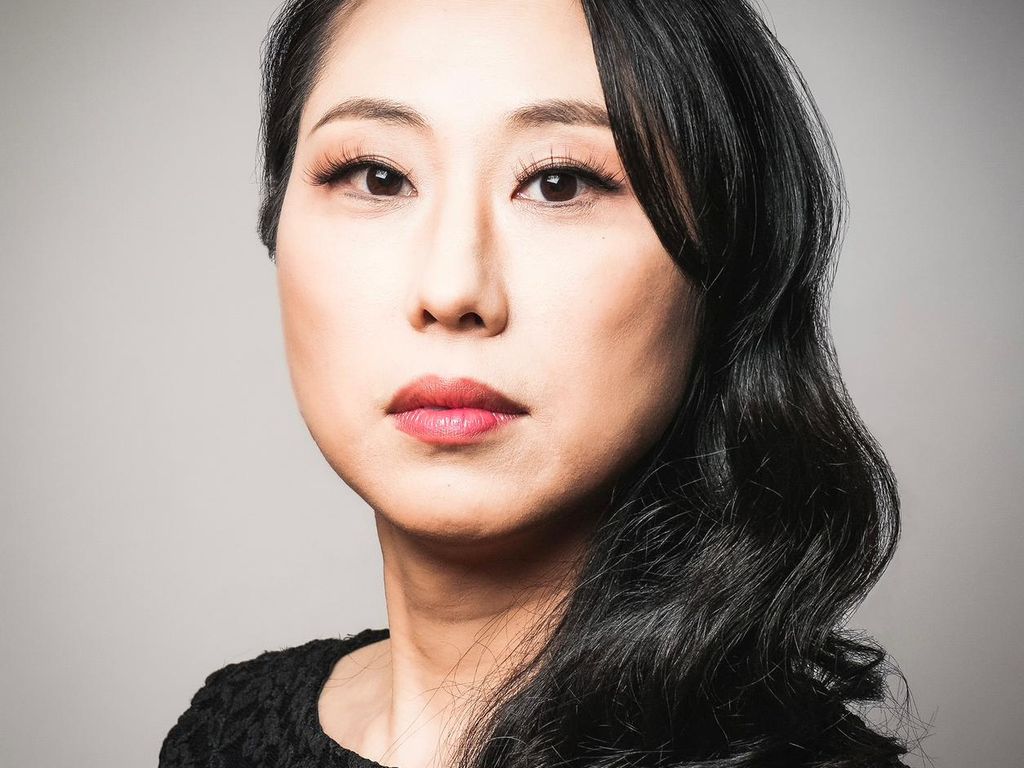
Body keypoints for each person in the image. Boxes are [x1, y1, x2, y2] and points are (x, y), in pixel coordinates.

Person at [159, 1, 914, 766]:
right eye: (377, 177)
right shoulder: (225, 735)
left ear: (728, 259)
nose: (453, 288)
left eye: (559, 182)